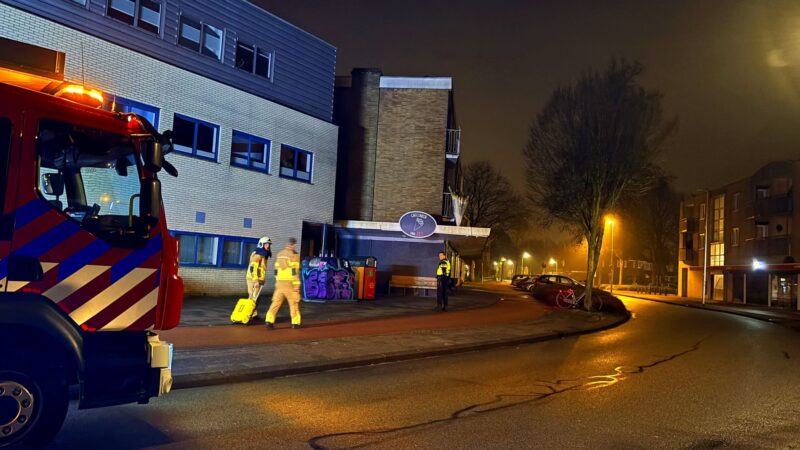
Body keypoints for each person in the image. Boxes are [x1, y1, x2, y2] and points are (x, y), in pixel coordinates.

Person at [265, 237, 302, 329]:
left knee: (275, 303)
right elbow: (295, 271)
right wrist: (297, 285)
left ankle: (269, 321)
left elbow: (276, 271)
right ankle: (295, 323)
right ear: (294, 245)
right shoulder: (294, 255)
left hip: (279, 284)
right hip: (290, 284)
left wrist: (278, 281)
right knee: (293, 303)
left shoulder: (279, 254)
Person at [245, 236, 271, 319]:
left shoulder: (263, 254)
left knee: (256, 297)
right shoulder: (258, 254)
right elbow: (253, 268)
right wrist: (256, 280)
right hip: (253, 279)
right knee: (253, 297)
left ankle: (253, 313)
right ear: (261, 244)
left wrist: (261, 279)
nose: (268, 246)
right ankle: (249, 314)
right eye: (266, 244)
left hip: (257, 279)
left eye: (269, 244)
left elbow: (261, 269)